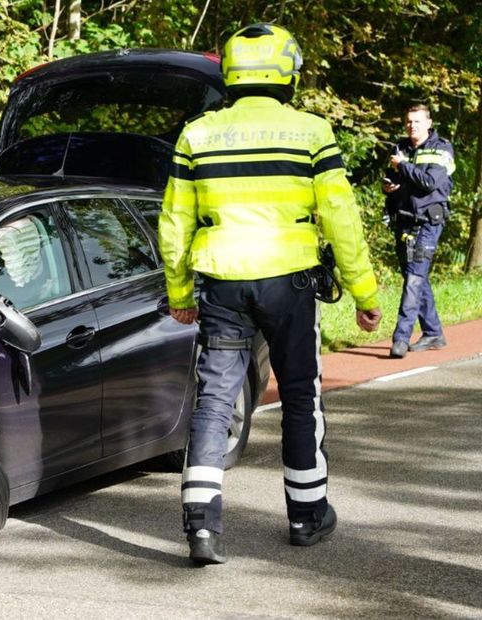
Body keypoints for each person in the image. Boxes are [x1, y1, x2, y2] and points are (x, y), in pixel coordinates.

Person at [159, 23, 383, 565]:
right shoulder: (311, 132)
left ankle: (202, 526)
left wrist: (180, 291)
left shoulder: (198, 134)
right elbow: (341, 219)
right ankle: (307, 516)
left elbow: (174, 222)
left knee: (214, 399)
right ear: (287, 72)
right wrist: (364, 291)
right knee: (301, 395)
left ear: (231, 73)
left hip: (222, 285)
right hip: (290, 283)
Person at [382, 104, 454, 359]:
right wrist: (388, 186)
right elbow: (391, 177)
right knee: (415, 276)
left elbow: (430, 183)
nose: (412, 125)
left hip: (428, 222)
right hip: (403, 221)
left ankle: (401, 338)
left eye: (417, 121)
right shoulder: (400, 147)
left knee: (414, 277)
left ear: (429, 123)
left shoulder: (442, 149)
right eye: (409, 121)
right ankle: (433, 332)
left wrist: (402, 167)